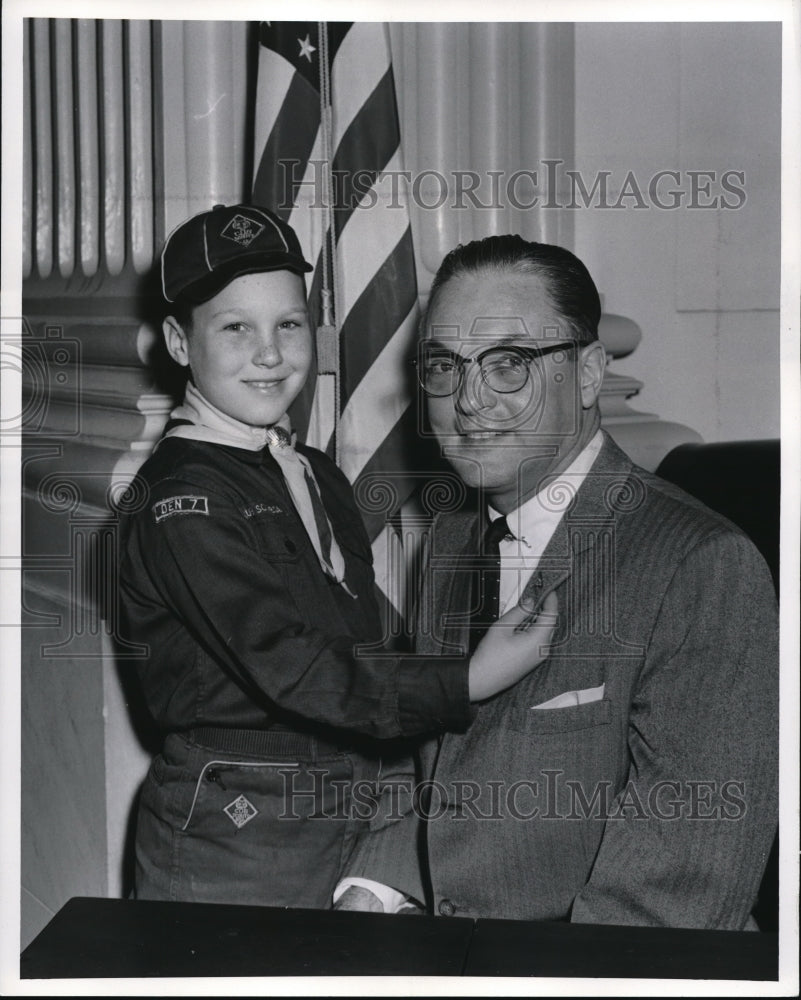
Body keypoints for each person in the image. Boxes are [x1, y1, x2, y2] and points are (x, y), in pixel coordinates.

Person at [335, 235, 779, 930]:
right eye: (444, 367)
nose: (469, 401)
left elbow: (676, 894)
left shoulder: (700, 566)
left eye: (507, 364)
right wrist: (372, 890)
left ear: (589, 374)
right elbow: (426, 758)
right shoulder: (451, 537)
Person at [118, 206, 556, 908]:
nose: (270, 353)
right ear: (177, 340)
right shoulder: (182, 501)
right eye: (235, 328)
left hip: (343, 795)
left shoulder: (313, 473)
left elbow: (363, 637)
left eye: (288, 325)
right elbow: (292, 667)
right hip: (236, 823)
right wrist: (463, 681)